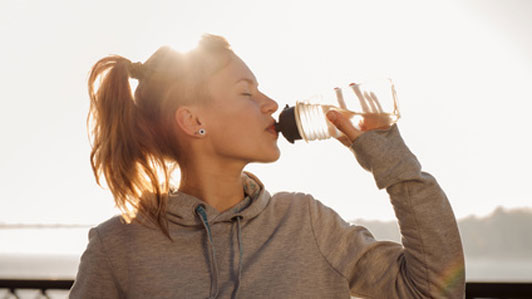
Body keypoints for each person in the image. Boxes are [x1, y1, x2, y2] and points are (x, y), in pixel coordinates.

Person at [69, 34, 465, 298]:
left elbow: (435, 290)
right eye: (246, 91)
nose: (271, 103)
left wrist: (388, 155)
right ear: (192, 121)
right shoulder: (117, 248)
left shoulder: (306, 221)